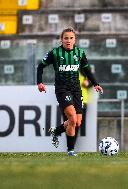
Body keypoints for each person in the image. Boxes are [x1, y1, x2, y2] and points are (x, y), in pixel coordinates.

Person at [37, 27, 103, 156]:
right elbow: (41, 66)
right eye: (66, 38)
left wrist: (96, 84)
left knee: (78, 122)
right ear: (61, 40)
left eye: (71, 38)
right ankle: (71, 150)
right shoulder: (55, 53)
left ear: (75, 40)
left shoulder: (80, 53)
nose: (68, 40)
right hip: (62, 89)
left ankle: (56, 131)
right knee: (72, 119)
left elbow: (87, 70)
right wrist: (39, 82)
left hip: (76, 90)